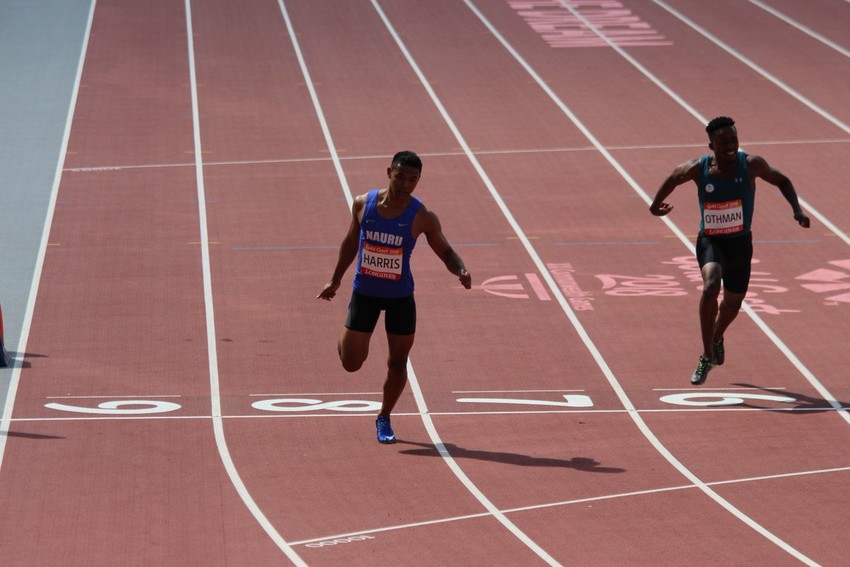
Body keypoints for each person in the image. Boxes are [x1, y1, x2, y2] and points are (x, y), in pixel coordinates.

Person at [318, 151, 472, 443]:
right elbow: (351, 241)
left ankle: (384, 416)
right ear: (389, 172)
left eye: (413, 180)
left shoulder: (422, 216)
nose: (405, 184)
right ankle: (349, 329)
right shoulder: (364, 204)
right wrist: (335, 279)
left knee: (398, 362)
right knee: (351, 363)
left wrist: (460, 269)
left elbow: (446, 251)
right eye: (400, 177)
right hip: (365, 293)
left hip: (400, 298)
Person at [649, 116, 810, 385]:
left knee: (733, 303)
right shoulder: (699, 169)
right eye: (723, 142)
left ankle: (717, 335)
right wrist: (656, 205)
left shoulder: (751, 165)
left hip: (740, 244)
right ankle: (707, 354)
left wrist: (797, 210)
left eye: (733, 140)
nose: (730, 146)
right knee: (711, 286)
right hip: (711, 241)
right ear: (711, 145)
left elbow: (782, 180)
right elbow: (674, 177)